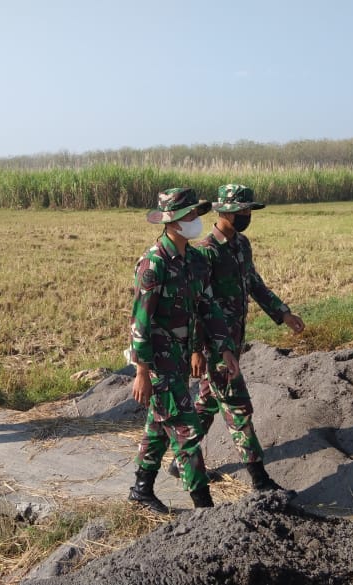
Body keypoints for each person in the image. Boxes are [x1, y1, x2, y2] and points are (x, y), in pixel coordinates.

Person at [179, 184, 305, 491]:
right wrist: (196, 350)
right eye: (241, 211)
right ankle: (259, 478)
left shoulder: (241, 245)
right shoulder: (206, 252)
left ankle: (181, 460)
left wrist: (283, 313)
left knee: (208, 402)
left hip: (234, 340)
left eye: (249, 210)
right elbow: (196, 306)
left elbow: (255, 283)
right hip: (214, 345)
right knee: (237, 405)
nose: (246, 215)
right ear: (223, 212)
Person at [128, 187, 241, 513]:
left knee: (158, 424)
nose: (197, 220)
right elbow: (140, 322)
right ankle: (204, 509)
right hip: (159, 361)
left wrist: (224, 349)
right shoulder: (154, 265)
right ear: (174, 221)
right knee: (186, 432)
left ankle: (140, 489)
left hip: (178, 358)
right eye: (191, 215)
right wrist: (141, 371)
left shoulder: (194, 260)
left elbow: (209, 308)